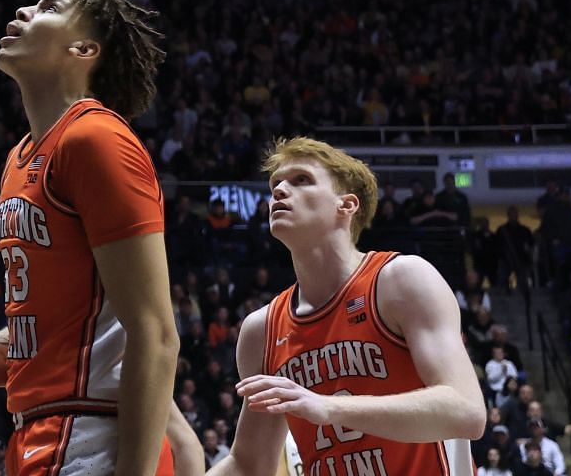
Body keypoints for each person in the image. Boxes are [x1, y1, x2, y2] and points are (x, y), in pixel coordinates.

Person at [0, 0, 196, 476]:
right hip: (39, 432)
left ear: (83, 49)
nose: (22, 9)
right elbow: (39, 336)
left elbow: (154, 330)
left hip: (92, 434)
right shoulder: (21, 158)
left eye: (47, 7)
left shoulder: (96, 138)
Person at [205, 138, 486, 476]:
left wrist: (328, 407)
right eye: (275, 183)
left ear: (346, 205)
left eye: (301, 180)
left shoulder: (400, 280)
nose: (279, 191)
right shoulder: (261, 330)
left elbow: (466, 411)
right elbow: (249, 464)